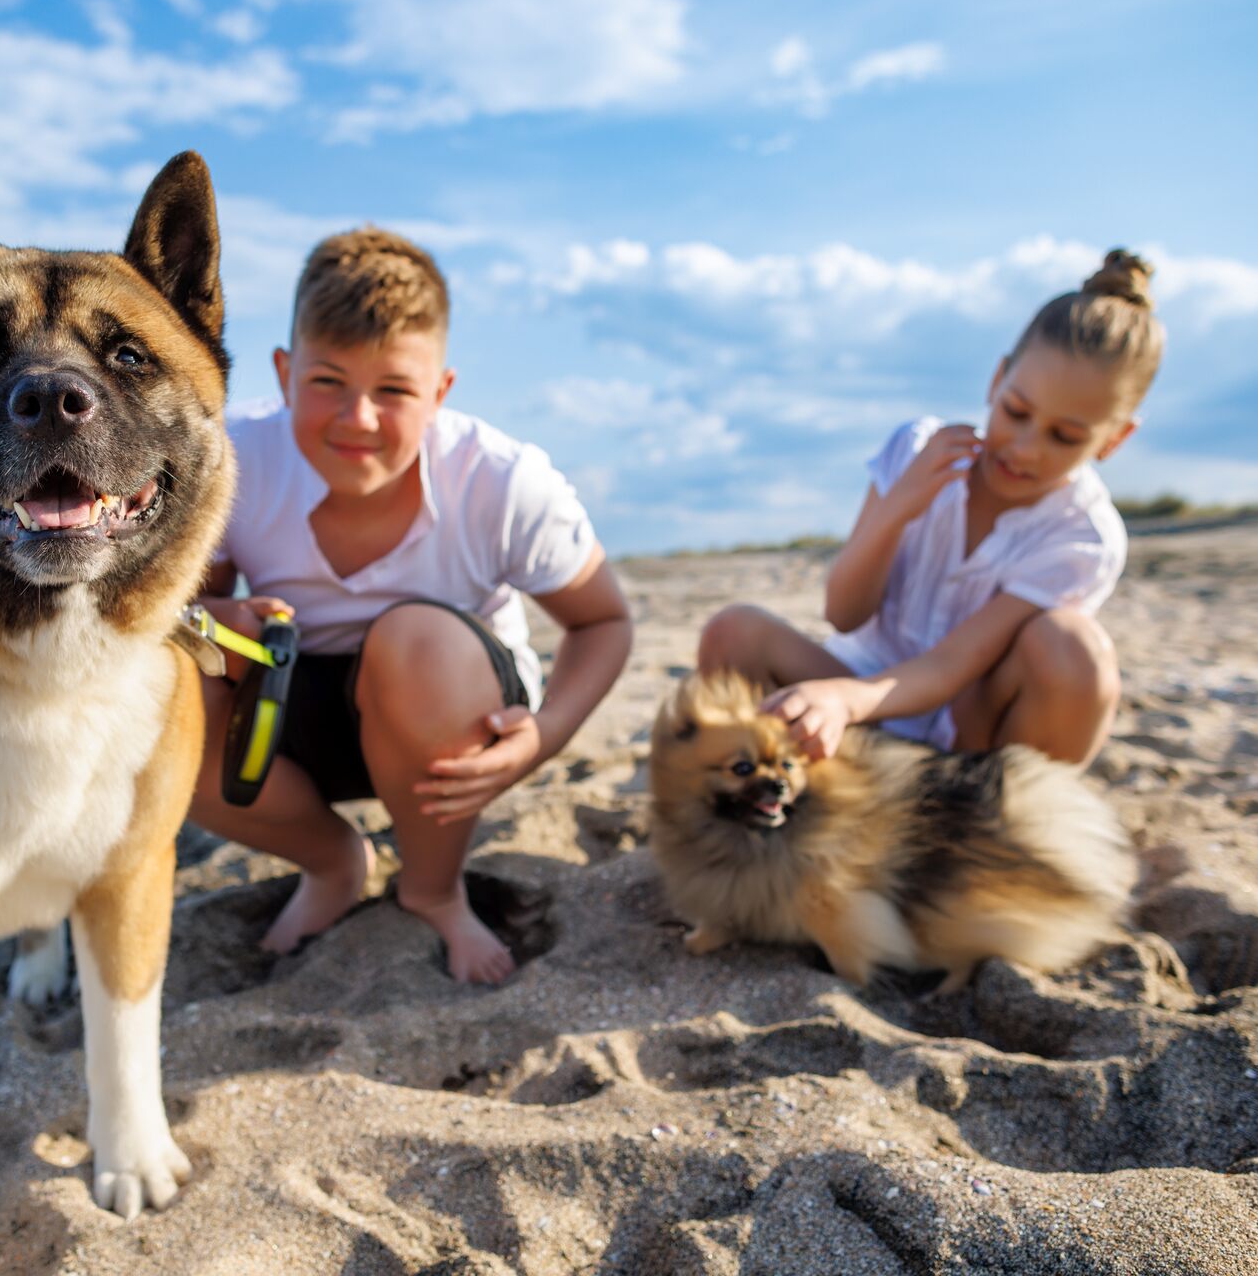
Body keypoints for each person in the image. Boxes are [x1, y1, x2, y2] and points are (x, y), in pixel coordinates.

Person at [190, 228, 632, 984]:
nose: (357, 418)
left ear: (440, 394)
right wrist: (209, 624)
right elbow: (184, 607)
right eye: (327, 382)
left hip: (449, 713)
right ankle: (333, 863)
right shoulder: (232, 456)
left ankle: (432, 886)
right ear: (284, 374)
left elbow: (604, 621)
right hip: (289, 715)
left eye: (393, 390)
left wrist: (548, 736)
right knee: (162, 679)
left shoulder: (502, 479)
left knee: (416, 642)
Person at [698, 249, 1166, 769]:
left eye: (1064, 436)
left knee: (1076, 649)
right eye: (1016, 412)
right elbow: (843, 612)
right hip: (854, 693)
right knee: (732, 632)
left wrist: (843, 701)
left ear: (1115, 439)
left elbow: (951, 665)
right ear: (997, 380)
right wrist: (899, 506)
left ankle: (990, 823)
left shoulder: (1082, 534)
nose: (1027, 447)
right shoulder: (918, 449)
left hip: (965, 731)